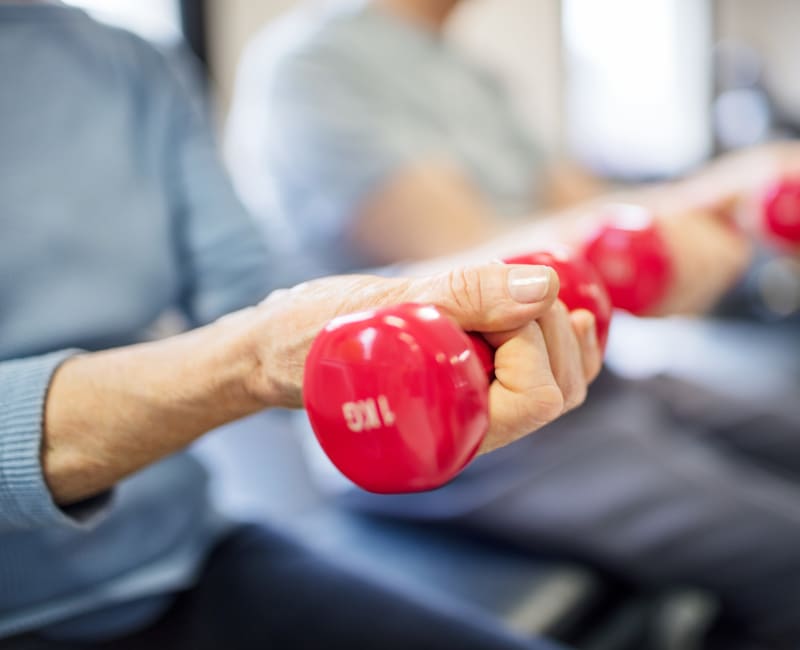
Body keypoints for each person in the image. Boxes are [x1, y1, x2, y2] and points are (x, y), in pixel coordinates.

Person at [0, 4, 602, 649]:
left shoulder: (121, 60)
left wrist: (423, 330)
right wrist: (254, 361)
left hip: (179, 553)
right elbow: (258, 345)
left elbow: (248, 297)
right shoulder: (316, 61)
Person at [225, 0, 800, 646]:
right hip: (444, 432)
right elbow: (470, 274)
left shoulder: (471, 75)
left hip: (576, 381)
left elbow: (586, 208)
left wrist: (718, 204)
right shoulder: (318, 64)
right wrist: (697, 198)